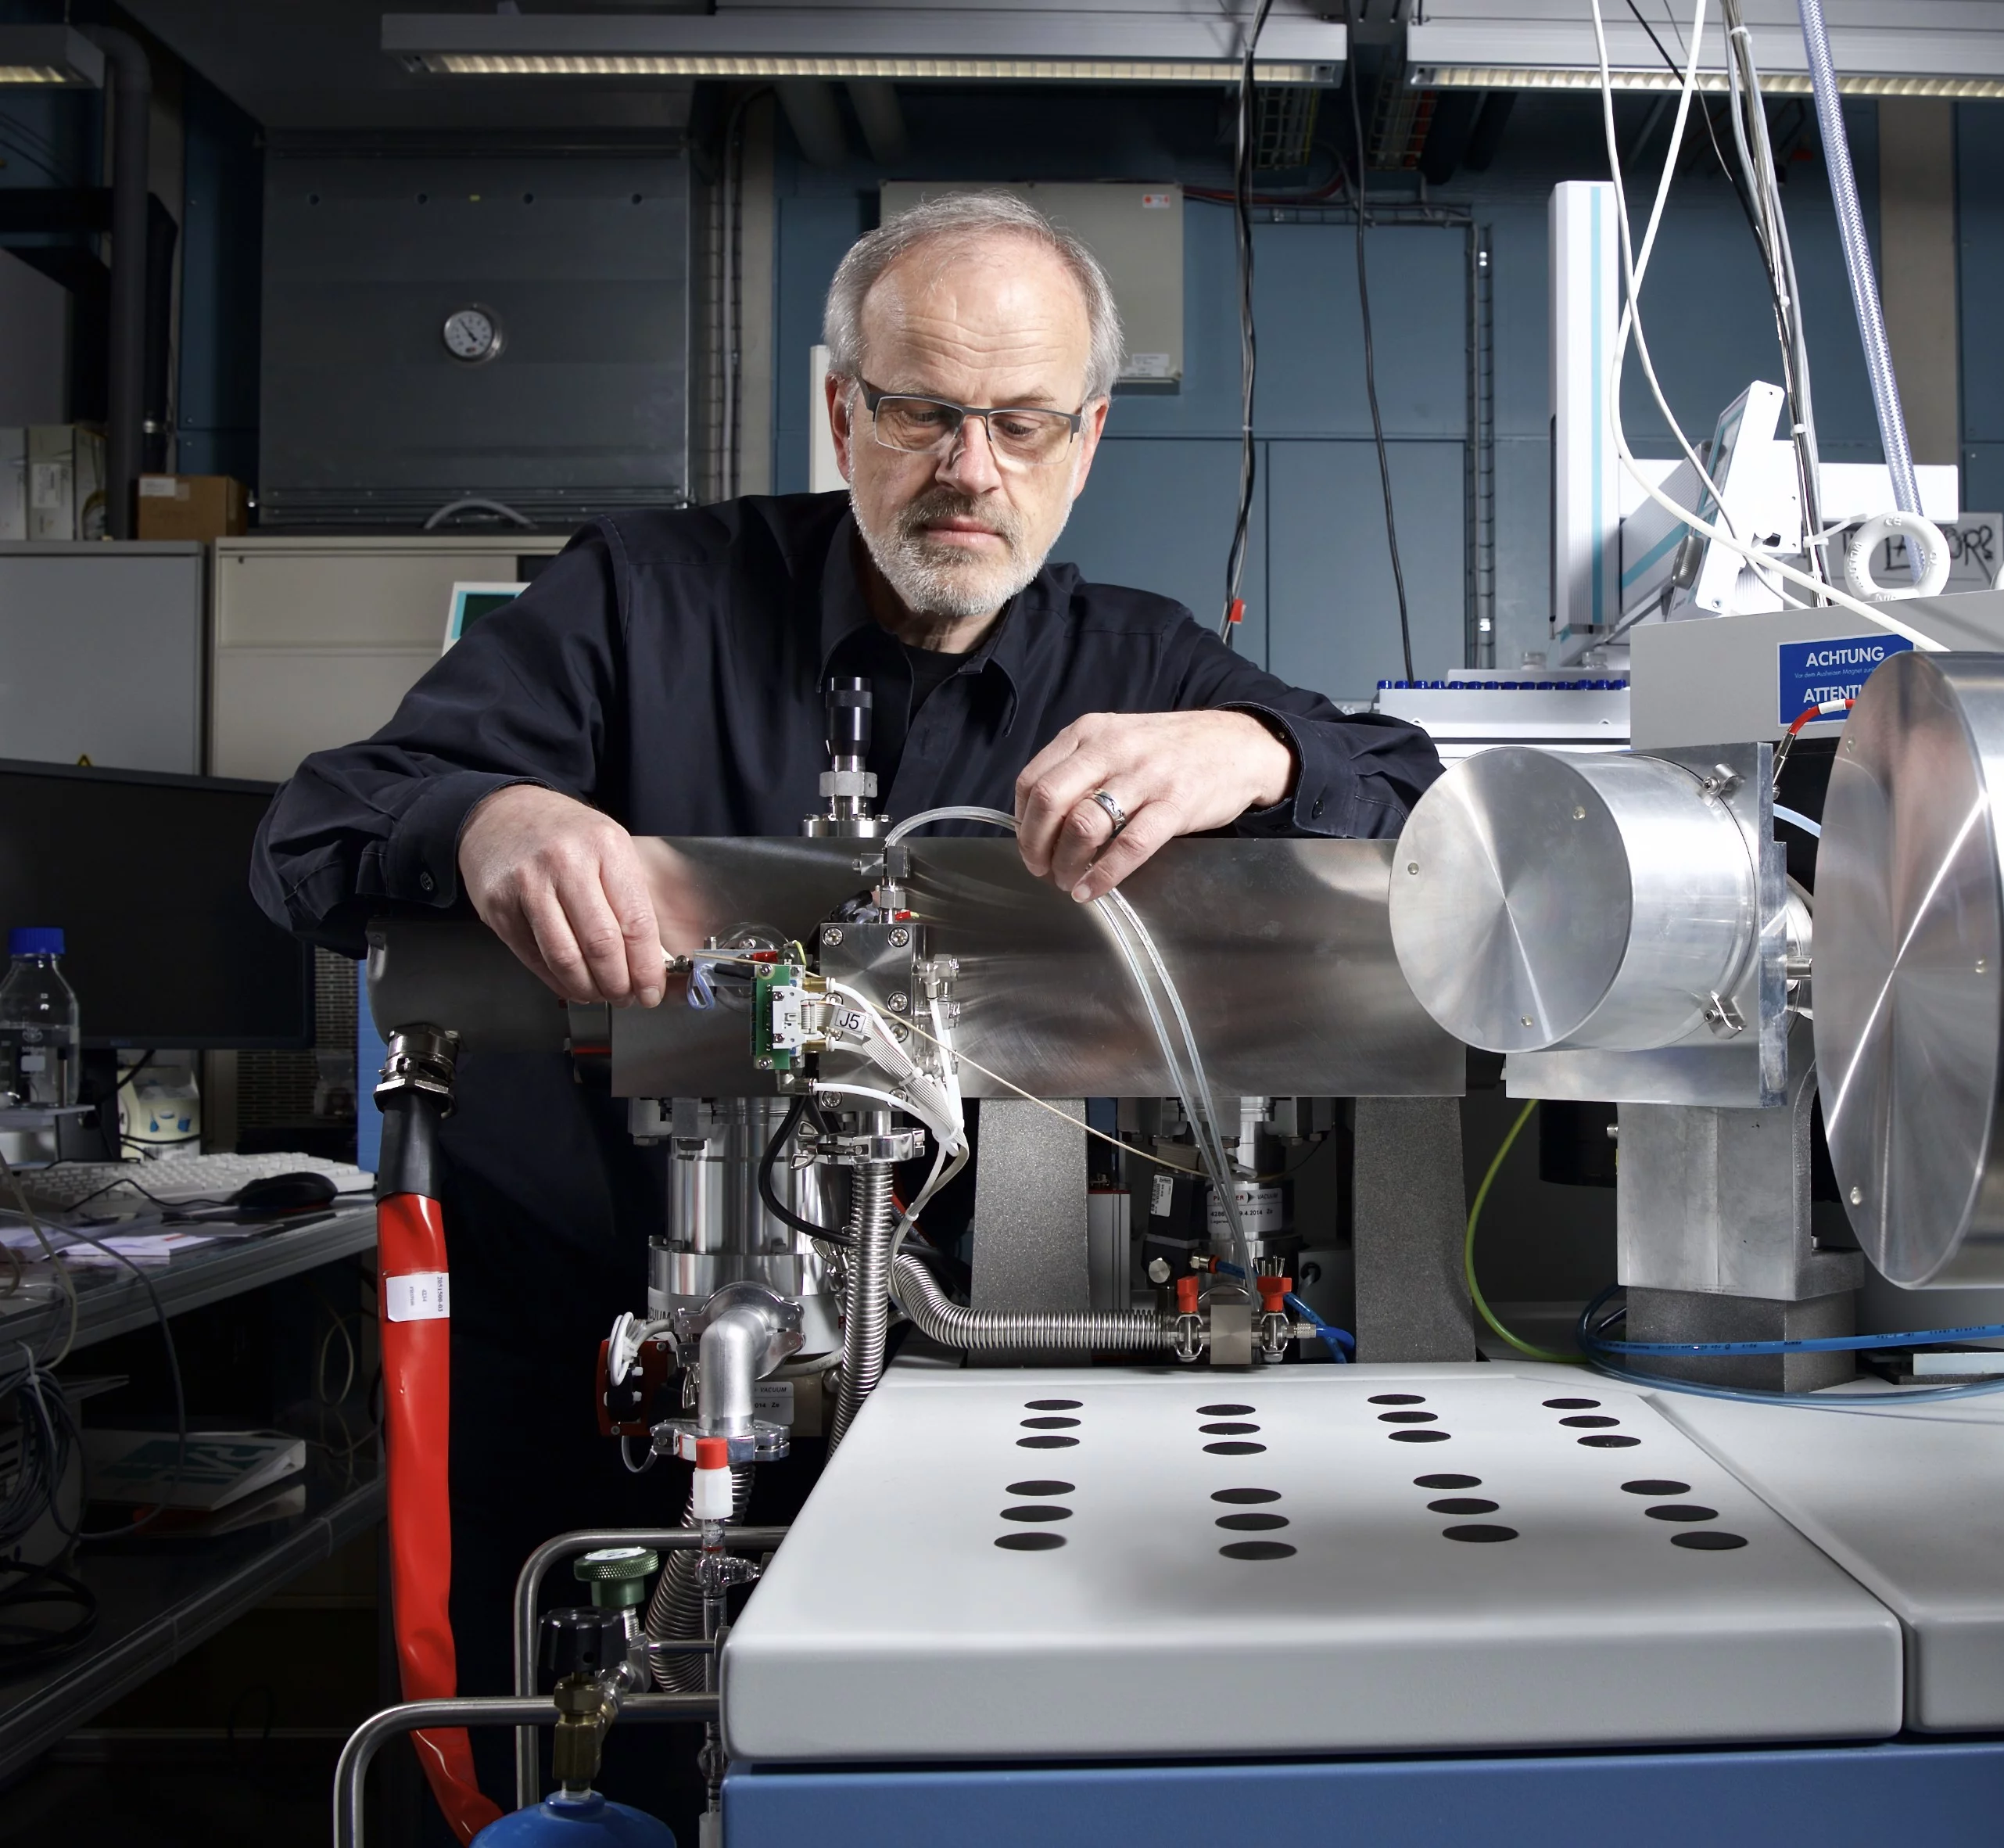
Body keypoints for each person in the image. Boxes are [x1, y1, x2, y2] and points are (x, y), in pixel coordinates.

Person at [250, 191, 1442, 1830]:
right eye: (921, 412)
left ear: (1085, 439)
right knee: (599, 1771)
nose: (971, 468)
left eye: (1021, 421)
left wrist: (1269, 755)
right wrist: (492, 822)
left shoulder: (1141, 665)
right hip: (603, 1378)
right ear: (842, 413)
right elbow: (312, 831)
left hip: (975, 1394)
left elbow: (1421, 799)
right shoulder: (640, 604)